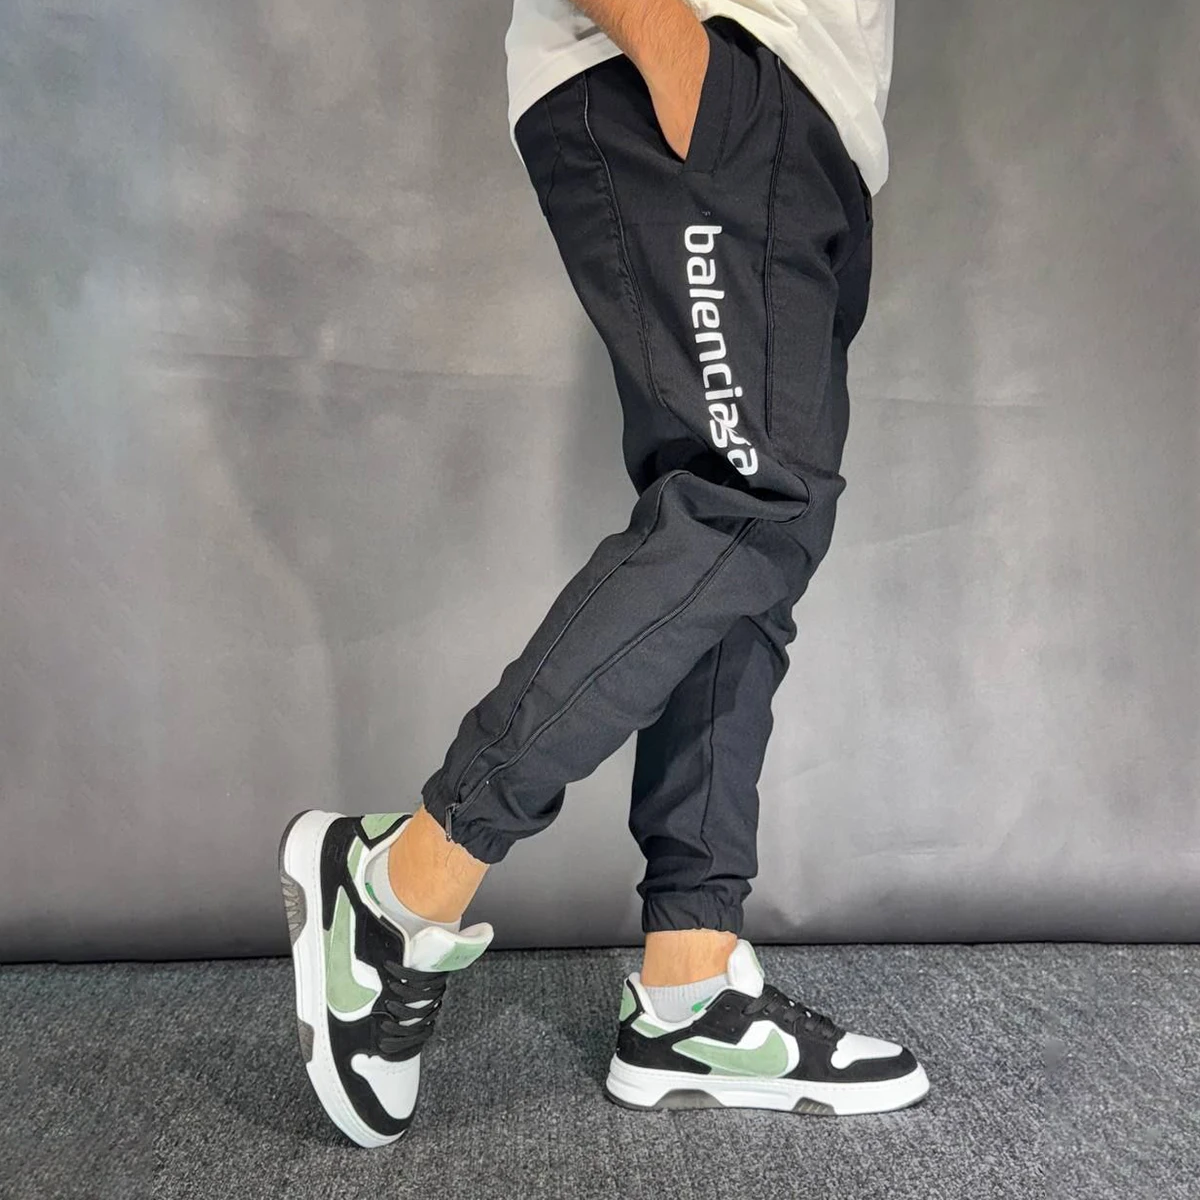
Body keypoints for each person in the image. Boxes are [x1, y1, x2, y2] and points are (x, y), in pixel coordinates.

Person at [278, 0, 928, 1148]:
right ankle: (399, 885)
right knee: (746, 506)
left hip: (813, 128)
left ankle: (691, 986)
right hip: (701, 72)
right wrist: (680, 58)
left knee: (747, 555)